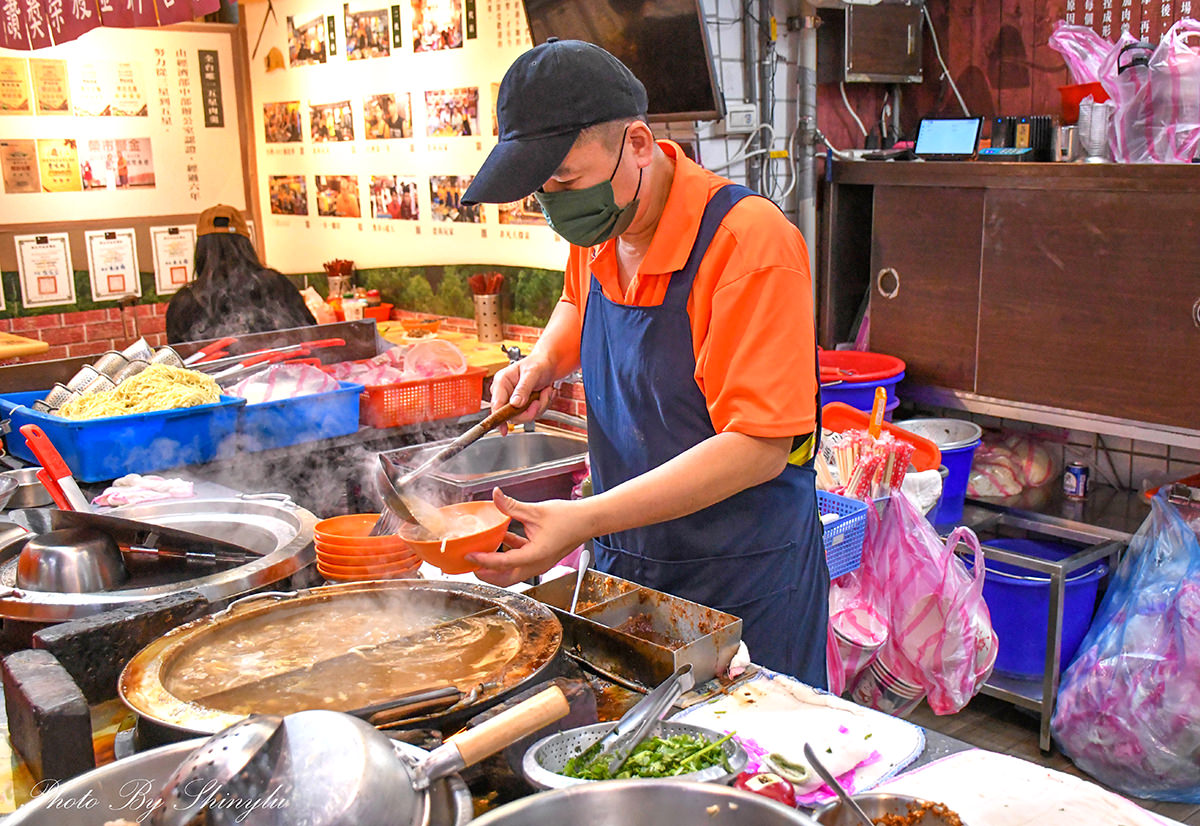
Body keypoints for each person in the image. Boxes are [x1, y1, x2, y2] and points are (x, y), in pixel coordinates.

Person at [459, 39, 827, 685]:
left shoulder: (751, 243)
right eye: (543, 189)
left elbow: (760, 444)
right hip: (629, 556)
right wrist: (544, 361)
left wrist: (582, 519)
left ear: (636, 142)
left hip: (743, 572)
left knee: (752, 766)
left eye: (567, 181)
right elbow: (581, 298)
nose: (558, 203)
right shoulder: (605, 223)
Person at [166, 205, 317, 344]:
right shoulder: (276, 284)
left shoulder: (185, 300)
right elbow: (311, 334)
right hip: (286, 372)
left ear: (201, 248)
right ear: (246, 244)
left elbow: (178, 361)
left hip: (210, 375)